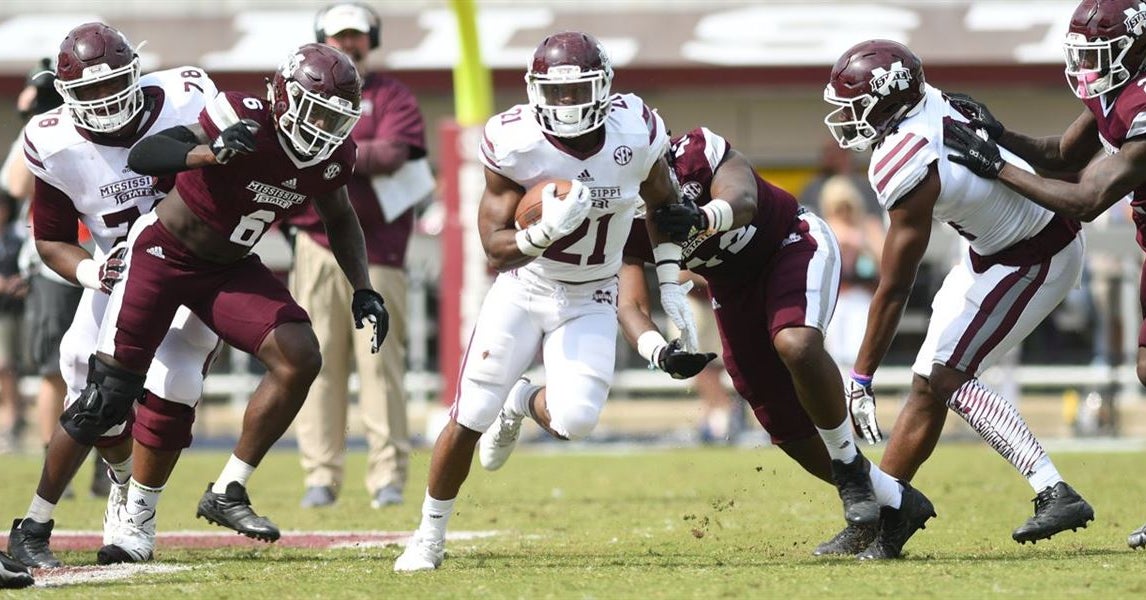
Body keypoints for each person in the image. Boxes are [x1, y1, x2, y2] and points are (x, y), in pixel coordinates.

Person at [394, 31, 698, 572]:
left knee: (577, 420)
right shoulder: (515, 141)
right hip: (526, 286)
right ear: (535, 92)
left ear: (603, 88)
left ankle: (523, 400)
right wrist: (540, 234)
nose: (566, 105)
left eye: (578, 91)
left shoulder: (637, 130)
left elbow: (666, 208)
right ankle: (428, 535)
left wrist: (670, 283)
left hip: (594, 293)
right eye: (554, 94)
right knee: (470, 412)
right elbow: (492, 247)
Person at [108, 41, 387, 554]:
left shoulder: (333, 157)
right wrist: (210, 151)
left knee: (299, 355)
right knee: (104, 398)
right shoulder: (242, 114)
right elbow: (144, 155)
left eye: (334, 119)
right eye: (315, 112)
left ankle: (227, 488)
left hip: (227, 268)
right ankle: (39, 522)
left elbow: (341, 217)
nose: (322, 129)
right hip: (163, 255)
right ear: (284, 96)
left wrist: (363, 287)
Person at [819, 38, 1094, 552]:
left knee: (947, 375)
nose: (846, 118)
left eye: (855, 105)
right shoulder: (924, 101)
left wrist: (860, 376)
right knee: (930, 380)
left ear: (885, 102)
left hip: (1038, 253)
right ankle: (884, 516)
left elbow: (896, 283)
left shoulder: (904, 157)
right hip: (992, 250)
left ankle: (1053, 488)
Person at [621, 126, 928, 560]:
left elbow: (743, 200)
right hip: (732, 287)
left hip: (790, 244)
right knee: (773, 413)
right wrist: (657, 350)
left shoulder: (696, 153)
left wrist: (701, 217)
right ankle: (890, 505)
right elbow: (629, 302)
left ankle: (854, 476)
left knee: (796, 344)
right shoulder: (619, 213)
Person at [7, 23, 224, 568]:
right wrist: (93, 270)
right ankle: (124, 482)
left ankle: (140, 515)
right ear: (65, 95)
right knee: (78, 366)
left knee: (176, 378)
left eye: (113, 85)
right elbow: (52, 238)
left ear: (136, 73)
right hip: (120, 273)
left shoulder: (186, 97)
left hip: (193, 268)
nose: (104, 101)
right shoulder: (53, 141)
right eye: (89, 92)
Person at [937, 0, 1146, 549]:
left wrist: (995, 167)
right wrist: (997, 133)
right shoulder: (1116, 92)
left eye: (1098, 51)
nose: (1088, 65)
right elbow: (1059, 154)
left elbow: (1088, 198)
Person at [291, 1, 427, 510]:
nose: (348, 44)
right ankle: (320, 476)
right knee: (315, 362)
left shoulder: (391, 94)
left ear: (372, 41)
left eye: (357, 36)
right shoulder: (301, 87)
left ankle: (387, 475)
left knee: (380, 367)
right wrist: (357, 154)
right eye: (338, 36)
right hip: (315, 243)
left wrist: (330, 150)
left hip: (380, 249)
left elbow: (395, 153)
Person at [818, 175, 883, 372]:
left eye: (847, 207)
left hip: (862, 294)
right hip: (835, 298)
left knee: (859, 350)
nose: (843, 213)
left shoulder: (867, 226)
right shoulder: (823, 227)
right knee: (835, 353)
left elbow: (885, 261)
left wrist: (860, 242)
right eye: (838, 208)